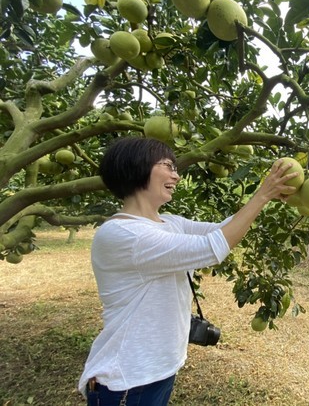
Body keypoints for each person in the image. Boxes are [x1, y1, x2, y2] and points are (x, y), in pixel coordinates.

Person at [78, 136, 297, 405]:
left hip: (158, 369)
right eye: (168, 166)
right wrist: (262, 195)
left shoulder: (168, 222)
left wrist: (266, 198)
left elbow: (222, 230)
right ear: (137, 167)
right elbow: (213, 247)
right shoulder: (124, 234)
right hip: (128, 378)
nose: (176, 176)